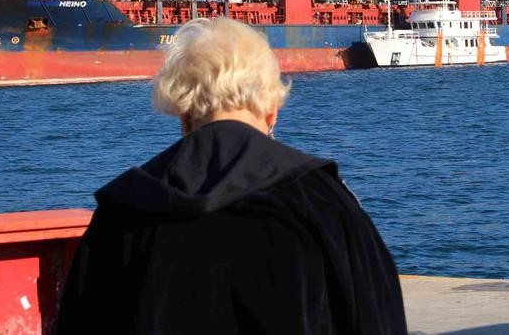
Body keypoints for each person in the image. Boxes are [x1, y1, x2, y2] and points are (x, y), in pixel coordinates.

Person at [55, 17, 407, 334]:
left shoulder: (122, 212)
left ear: (184, 115)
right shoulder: (323, 202)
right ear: (271, 112)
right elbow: (378, 317)